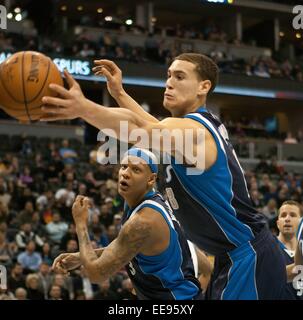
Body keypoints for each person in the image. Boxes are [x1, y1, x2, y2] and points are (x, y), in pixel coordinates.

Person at [42, 53, 286, 299]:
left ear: (204, 86)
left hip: (249, 257)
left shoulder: (195, 130)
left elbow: (140, 129)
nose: (169, 82)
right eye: (168, 75)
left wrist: (83, 108)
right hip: (235, 257)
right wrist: (119, 94)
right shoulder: (184, 131)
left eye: (180, 76)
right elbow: (149, 124)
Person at [53, 148, 206, 300]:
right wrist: (80, 257)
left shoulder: (144, 220)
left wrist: (80, 224)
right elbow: (124, 246)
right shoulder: (138, 201)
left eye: (136, 170)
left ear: (151, 179)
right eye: (124, 166)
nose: (125, 173)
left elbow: (96, 274)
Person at [276, 201, 302, 299]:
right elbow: (270, 276)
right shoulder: (267, 248)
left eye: (292, 215)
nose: (287, 219)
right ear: (278, 223)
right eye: (283, 215)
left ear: (301, 222)